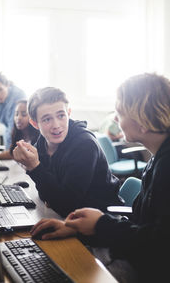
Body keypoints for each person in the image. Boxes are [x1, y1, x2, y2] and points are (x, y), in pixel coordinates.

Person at [30, 73, 170, 283]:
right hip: (136, 254)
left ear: (143, 121)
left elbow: (158, 245)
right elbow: (144, 229)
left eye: (120, 112)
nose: (115, 118)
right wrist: (77, 230)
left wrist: (100, 226)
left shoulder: (166, 167)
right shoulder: (157, 159)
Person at [13, 87, 123, 217]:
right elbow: (46, 195)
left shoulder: (85, 145)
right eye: (47, 119)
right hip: (70, 217)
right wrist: (53, 196)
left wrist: (34, 167)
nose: (56, 125)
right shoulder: (42, 142)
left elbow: (67, 206)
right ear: (35, 123)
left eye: (61, 115)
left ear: (68, 113)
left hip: (103, 219)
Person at [0, 71, 26, 152]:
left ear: (7, 85)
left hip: (19, 133)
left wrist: (10, 151)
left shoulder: (19, 95)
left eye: (0, 89)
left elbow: (14, 125)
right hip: (7, 131)